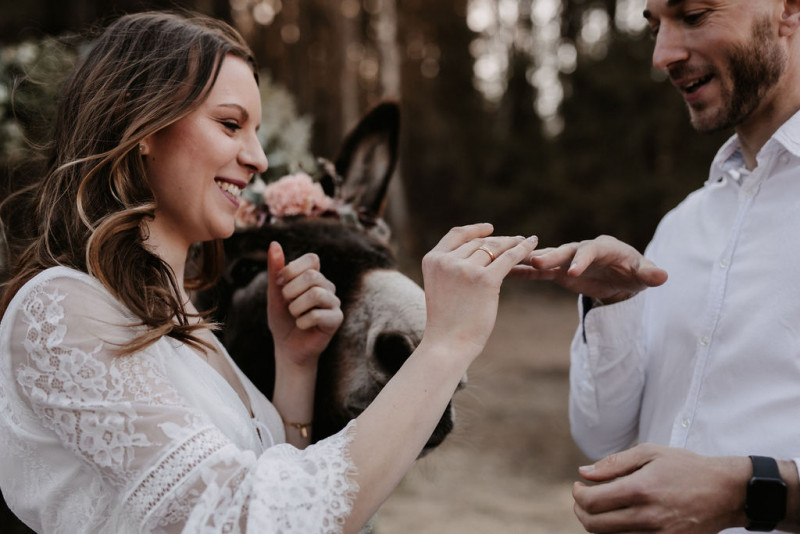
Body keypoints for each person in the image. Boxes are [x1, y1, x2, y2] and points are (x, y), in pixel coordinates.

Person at [0, 11, 539, 533]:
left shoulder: (188, 319)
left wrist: (295, 363)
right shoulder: (62, 308)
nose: (258, 158)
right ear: (140, 123)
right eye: (230, 124)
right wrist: (445, 345)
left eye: (256, 131)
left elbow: (274, 480)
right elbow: (242, 521)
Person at [513, 0, 800, 532]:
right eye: (654, 28)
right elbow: (602, 438)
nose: (662, 55)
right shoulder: (681, 226)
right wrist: (612, 304)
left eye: (692, 15)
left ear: (787, 8)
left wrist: (749, 492)